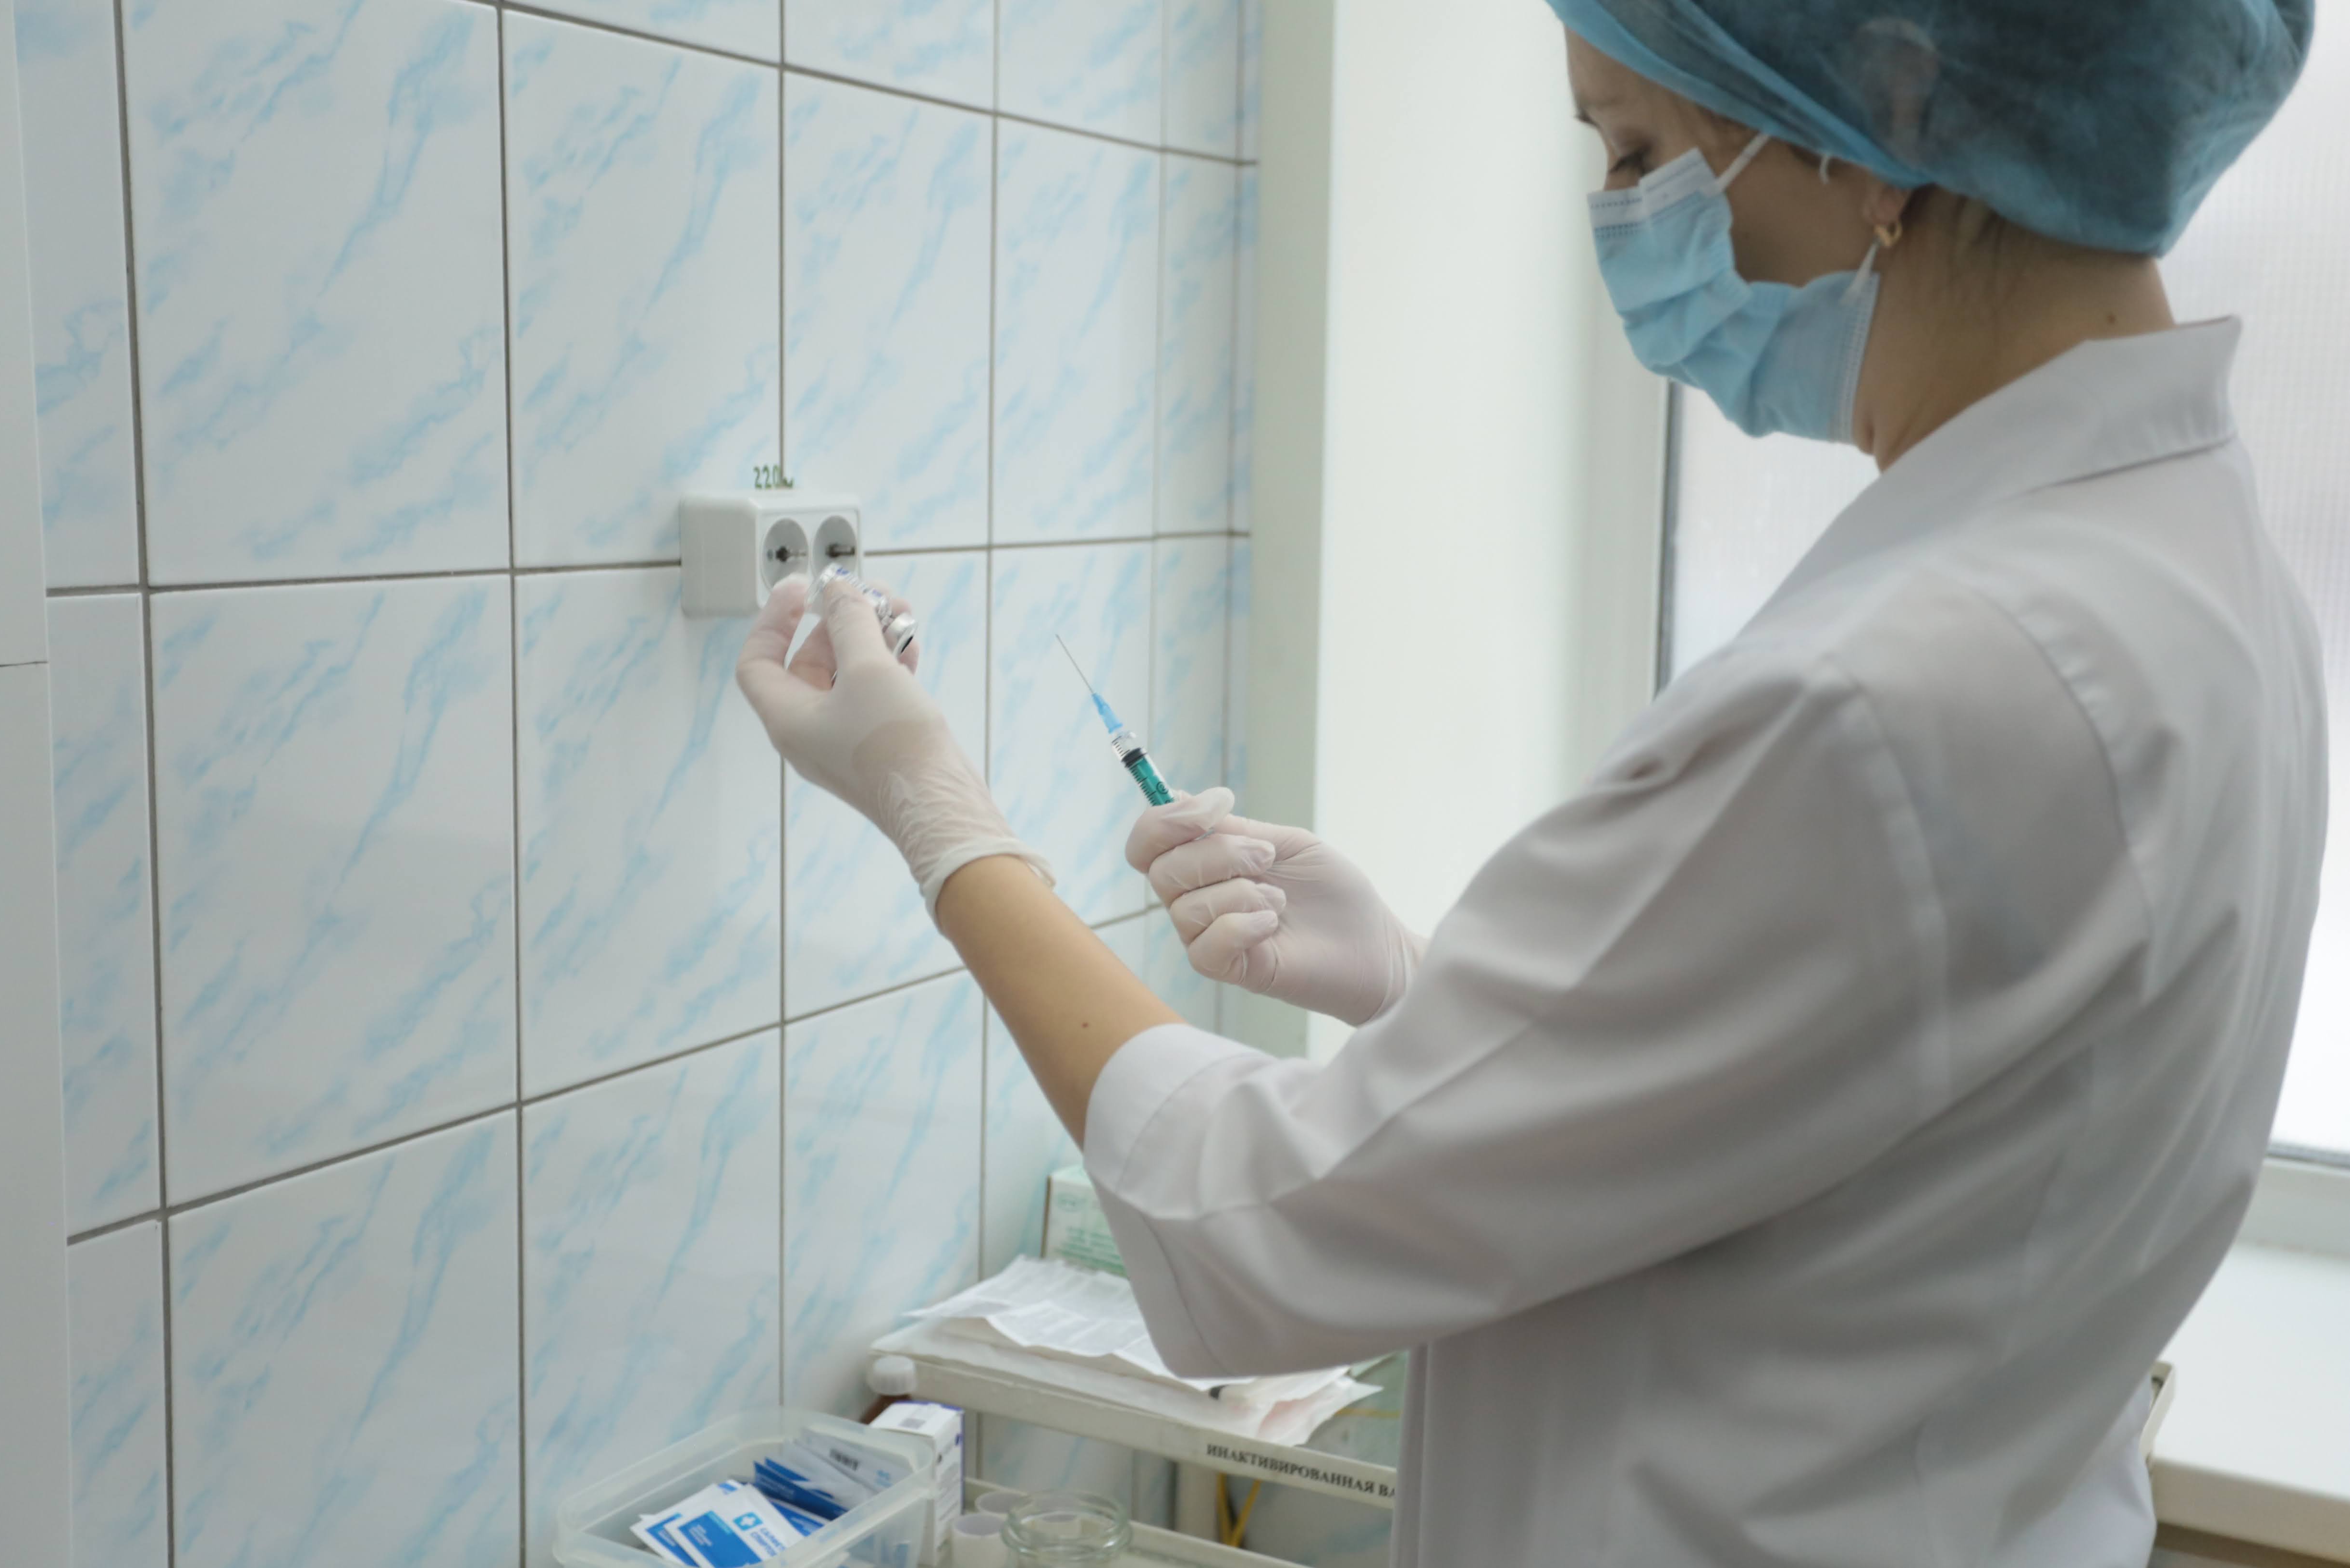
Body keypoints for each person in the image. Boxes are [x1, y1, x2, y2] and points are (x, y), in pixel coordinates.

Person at [734, 0, 2325, 1561]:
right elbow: (1874, 1097)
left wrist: (934, 806)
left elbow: (1261, 1222)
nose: (1618, 223)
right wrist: (1427, 993)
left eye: (1634, 152)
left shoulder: (1897, 694)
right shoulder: (2201, 572)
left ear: (1893, 110)